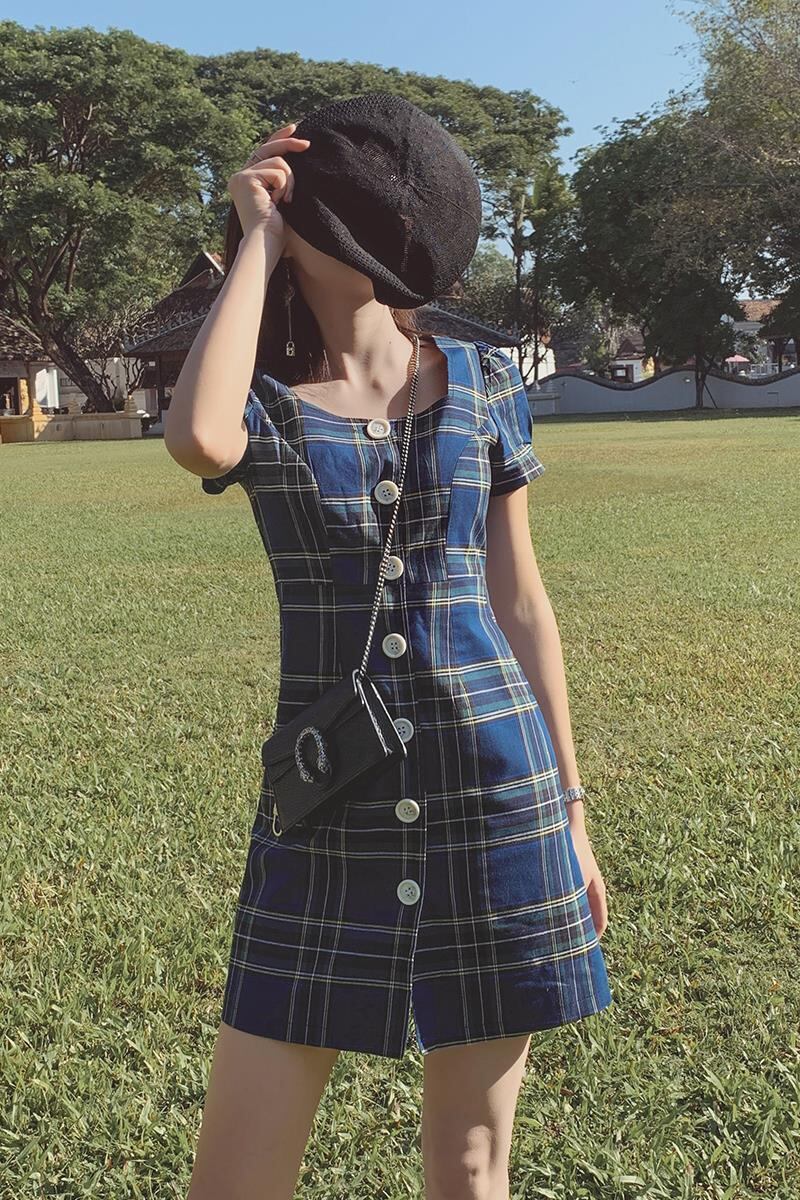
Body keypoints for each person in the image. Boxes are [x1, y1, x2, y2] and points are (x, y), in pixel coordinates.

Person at [165, 94, 612, 1200]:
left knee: (471, 1161)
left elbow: (520, 602)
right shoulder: (264, 402)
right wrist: (256, 239)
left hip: (497, 796)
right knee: (235, 1178)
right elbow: (199, 439)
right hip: (328, 805)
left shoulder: (486, 385)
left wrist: (571, 810)